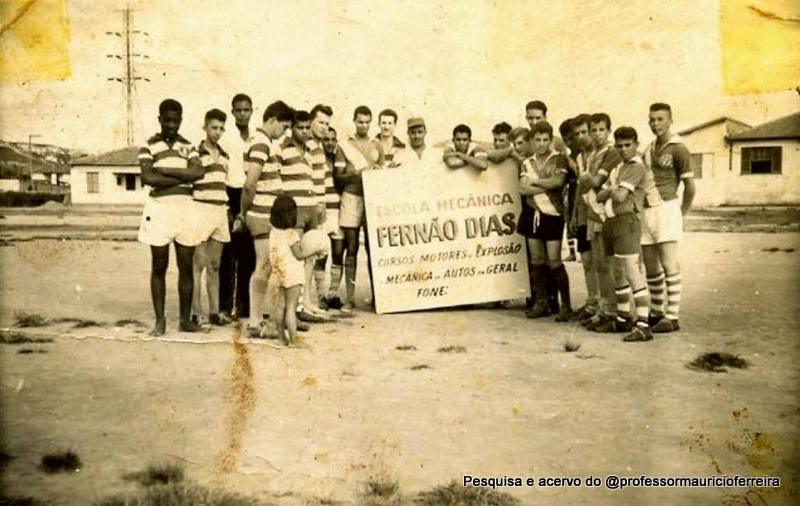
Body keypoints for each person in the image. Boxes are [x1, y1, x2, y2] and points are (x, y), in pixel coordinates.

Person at [137, 98, 205, 336]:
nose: (171, 125)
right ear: (160, 120)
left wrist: (164, 170)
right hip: (159, 209)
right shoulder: (148, 146)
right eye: (167, 120)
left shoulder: (189, 146)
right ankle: (160, 321)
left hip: (185, 209)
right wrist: (183, 176)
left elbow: (198, 172)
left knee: (186, 266)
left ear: (181, 121)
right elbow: (148, 178)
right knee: (159, 266)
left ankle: (185, 319)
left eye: (176, 121)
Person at [596, 126, 658, 342]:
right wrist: (610, 190)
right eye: (619, 145)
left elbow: (620, 196)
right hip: (611, 222)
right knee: (617, 271)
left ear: (636, 144)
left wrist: (610, 190)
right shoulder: (618, 167)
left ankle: (643, 324)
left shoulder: (636, 166)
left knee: (632, 271)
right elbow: (598, 194)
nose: (623, 149)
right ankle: (624, 318)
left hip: (627, 222)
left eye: (627, 145)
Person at [239, 100, 294, 338]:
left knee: (267, 266)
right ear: (271, 120)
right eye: (283, 126)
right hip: (261, 213)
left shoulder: (264, 142)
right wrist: (243, 213)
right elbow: (250, 183)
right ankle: (254, 321)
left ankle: (259, 319)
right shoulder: (261, 143)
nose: (285, 132)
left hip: (266, 213)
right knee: (263, 266)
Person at [641, 103, 695, 332]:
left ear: (670, 120)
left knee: (668, 263)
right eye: (652, 119)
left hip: (667, 207)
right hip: (647, 209)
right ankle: (657, 311)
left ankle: (672, 316)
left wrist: (681, 212)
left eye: (660, 119)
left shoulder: (679, 148)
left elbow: (690, 186)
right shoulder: (648, 148)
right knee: (651, 265)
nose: (656, 124)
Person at [278, 109, 329, 322]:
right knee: (294, 259)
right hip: (295, 210)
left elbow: (314, 180)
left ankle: (306, 303)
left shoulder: (310, 150)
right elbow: (278, 180)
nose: (305, 131)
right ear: (292, 128)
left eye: (307, 127)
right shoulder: (283, 149)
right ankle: (294, 308)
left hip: (311, 208)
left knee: (309, 258)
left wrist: (319, 204)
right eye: (300, 128)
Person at [516, 122, 571, 321]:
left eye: (545, 140)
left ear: (550, 140)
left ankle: (566, 305)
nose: (541, 144)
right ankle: (541, 302)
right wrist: (546, 185)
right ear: (531, 141)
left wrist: (536, 183)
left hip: (553, 214)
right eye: (537, 140)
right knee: (536, 259)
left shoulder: (558, 159)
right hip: (533, 213)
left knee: (554, 260)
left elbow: (558, 183)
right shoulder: (527, 162)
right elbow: (522, 189)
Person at [336, 105, 384, 310]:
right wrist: (357, 174)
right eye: (360, 121)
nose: (363, 125)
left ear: (370, 123)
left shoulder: (377, 145)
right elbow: (338, 176)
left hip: (372, 200)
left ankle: (377, 297)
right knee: (352, 248)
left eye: (367, 122)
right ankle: (349, 297)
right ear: (354, 121)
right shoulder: (345, 145)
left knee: (374, 249)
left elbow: (383, 175)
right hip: (351, 197)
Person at [580, 113, 623, 333]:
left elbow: (594, 181)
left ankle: (613, 312)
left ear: (608, 131)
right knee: (597, 264)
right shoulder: (592, 154)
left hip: (606, 213)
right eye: (593, 130)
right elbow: (587, 182)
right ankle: (603, 310)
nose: (597, 134)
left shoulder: (612, 152)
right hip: (592, 212)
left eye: (601, 130)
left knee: (607, 264)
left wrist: (589, 179)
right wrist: (589, 180)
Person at [191, 109, 232, 326]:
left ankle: (215, 312)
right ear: (205, 127)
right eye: (213, 127)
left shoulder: (225, 156)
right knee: (198, 263)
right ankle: (197, 313)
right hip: (200, 209)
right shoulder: (195, 152)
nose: (217, 132)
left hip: (219, 211)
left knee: (215, 265)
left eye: (221, 128)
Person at [268, 195, 327, 345]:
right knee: (291, 308)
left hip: (278, 271)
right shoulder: (291, 234)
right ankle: (294, 339)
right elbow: (299, 255)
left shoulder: (273, 232)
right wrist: (313, 251)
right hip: (292, 273)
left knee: (281, 306)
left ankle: (281, 337)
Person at [219, 93, 255, 321]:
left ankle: (244, 306)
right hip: (231, 195)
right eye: (238, 110)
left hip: (250, 196)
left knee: (249, 257)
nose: (242, 114)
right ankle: (224, 306)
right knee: (228, 257)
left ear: (252, 111)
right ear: (232, 112)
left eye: (246, 110)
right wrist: (229, 207)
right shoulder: (226, 138)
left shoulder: (256, 137)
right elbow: (222, 174)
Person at [569, 114, 602, 323]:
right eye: (577, 133)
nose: (582, 136)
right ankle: (591, 303)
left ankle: (605, 305)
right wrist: (573, 213)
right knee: (587, 260)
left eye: (585, 132)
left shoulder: (603, 155)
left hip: (599, 212)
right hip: (583, 213)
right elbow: (580, 188)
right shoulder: (580, 157)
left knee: (601, 261)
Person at [321, 126, 348, 309]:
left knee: (338, 254)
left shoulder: (340, 160)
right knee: (320, 255)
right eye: (326, 139)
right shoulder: (317, 160)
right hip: (323, 213)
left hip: (337, 212)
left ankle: (332, 294)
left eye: (333, 140)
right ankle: (319, 295)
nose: (330, 143)